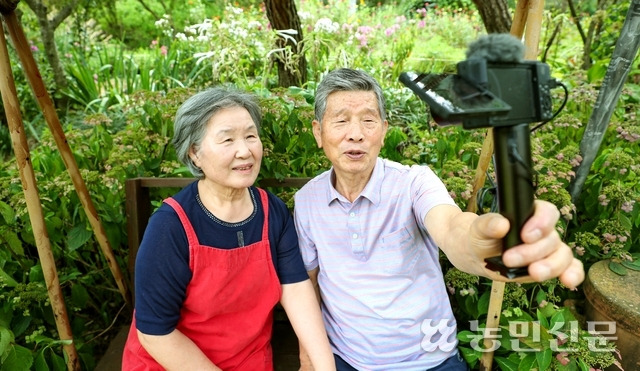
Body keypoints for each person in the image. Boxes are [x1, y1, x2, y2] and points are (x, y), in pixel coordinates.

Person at [294, 68, 585, 371]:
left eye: (368, 120)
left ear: (383, 129)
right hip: (347, 360)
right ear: (319, 132)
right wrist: (308, 360)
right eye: (341, 121)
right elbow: (308, 288)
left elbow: (451, 227)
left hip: (429, 361)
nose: (355, 133)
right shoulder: (307, 201)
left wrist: (481, 245)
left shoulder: (415, 183)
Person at [121, 87, 335, 371]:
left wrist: (324, 366)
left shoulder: (273, 212)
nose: (244, 151)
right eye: (227, 139)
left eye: (250, 136)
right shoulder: (171, 226)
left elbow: (295, 288)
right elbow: (155, 332)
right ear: (194, 153)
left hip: (248, 361)